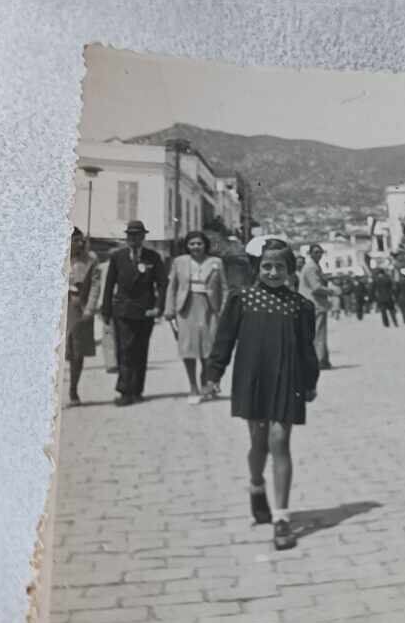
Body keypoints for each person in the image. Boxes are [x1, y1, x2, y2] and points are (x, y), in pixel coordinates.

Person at [204, 241, 319, 551]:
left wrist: (310, 381)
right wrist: (213, 375)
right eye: (267, 266)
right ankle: (256, 484)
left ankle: (281, 518)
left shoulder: (300, 306)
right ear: (257, 268)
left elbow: (307, 349)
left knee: (279, 441)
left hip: (287, 378)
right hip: (252, 378)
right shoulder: (241, 300)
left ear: (289, 270)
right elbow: (224, 340)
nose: (272, 272)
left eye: (280, 267)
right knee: (259, 442)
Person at [101, 220, 166, 406]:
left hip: (146, 312)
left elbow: (162, 284)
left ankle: (137, 390)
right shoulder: (117, 257)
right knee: (125, 350)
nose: (134, 238)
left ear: (143, 237)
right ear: (126, 237)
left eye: (137, 235)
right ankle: (124, 391)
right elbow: (109, 285)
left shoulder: (153, 257)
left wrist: (159, 307)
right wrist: (106, 310)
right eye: (130, 235)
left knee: (140, 350)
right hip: (123, 310)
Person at [164, 230, 226, 403]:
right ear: (187, 246)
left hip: (209, 308)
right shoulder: (179, 262)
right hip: (186, 308)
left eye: (199, 243)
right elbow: (172, 287)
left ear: (205, 244)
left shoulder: (216, 262)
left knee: (209, 349)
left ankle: (206, 383)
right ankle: (193, 387)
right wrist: (169, 309)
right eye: (192, 244)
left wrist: (224, 310)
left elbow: (225, 287)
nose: (196, 247)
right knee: (188, 349)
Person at [65, 228, 101, 406]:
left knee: (77, 353)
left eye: (81, 240)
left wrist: (90, 309)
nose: (80, 244)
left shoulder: (91, 260)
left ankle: (73, 390)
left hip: (80, 310)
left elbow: (95, 286)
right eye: (75, 240)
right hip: (60, 311)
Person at [299, 243, 331, 368]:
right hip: (315, 303)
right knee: (318, 333)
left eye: (320, 252)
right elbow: (316, 288)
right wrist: (333, 291)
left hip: (313, 303)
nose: (319, 254)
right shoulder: (311, 267)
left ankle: (323, 359)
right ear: (310, 254)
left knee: (318, 332)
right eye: (316, 252)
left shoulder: (314, 266)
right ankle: (319, 360)